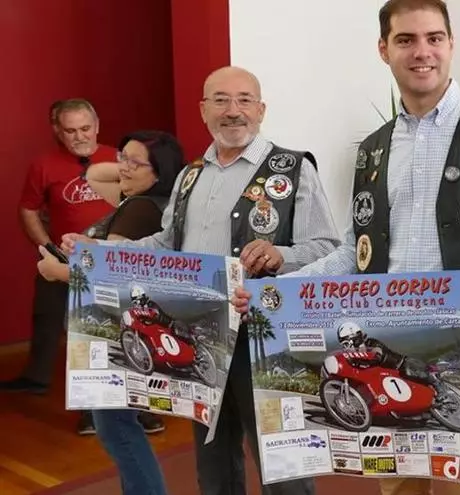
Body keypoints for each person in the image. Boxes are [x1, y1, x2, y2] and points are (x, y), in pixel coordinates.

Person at [232, 2, 460, 494]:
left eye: (434, 38)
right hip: (388, 336)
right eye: (406, 40)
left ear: (451, 45)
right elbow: (355, 253)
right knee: (397, 487)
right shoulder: (373, 149)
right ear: (384, 49)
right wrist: (276, 293)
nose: (422, 52)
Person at [62, 66, 339, 495]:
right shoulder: (191, 175)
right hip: (201, 336)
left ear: (261, 109)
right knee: (213, 461)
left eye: (244, 100)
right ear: (203, 110)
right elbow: (165, 243)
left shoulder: (294, 169)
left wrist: (281, 256)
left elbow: (326, 248)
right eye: (221, 100)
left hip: (263, 338)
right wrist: (97, 251)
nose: (233, 111)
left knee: (282, 466)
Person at [39, 129, 186, 495]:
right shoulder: (150, 201)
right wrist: (132, 164)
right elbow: (93, 175)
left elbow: (112, 274)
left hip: (120, 329)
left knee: (115, 428)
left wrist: (57, 271)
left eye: (135, 163)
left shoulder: (140, 208)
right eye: (122, 157)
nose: (122, 167)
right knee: (118, 425)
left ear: (160, 172)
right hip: (131, 328)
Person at [4, 99, 116, 434]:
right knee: (52, 319)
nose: (79, 136)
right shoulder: (45, 165)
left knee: (101, 334)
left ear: (97, 126)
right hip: (64, 259)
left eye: (85, 128)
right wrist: (47, 249)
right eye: (70, 131)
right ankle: (39, 380)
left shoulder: (120, 159)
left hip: (110, 261)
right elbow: (28, 209)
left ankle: (115, 411)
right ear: (57, 131)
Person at [336, 321, 438, 388]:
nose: (345, 348)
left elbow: (377, 353)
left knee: (412, 372)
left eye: (346, 344)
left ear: (354, 339)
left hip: (401, 365)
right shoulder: (356, 357)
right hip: (390, 377)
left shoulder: (371, 343)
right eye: (344, 345)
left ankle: (438, 385)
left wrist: (371, 358)